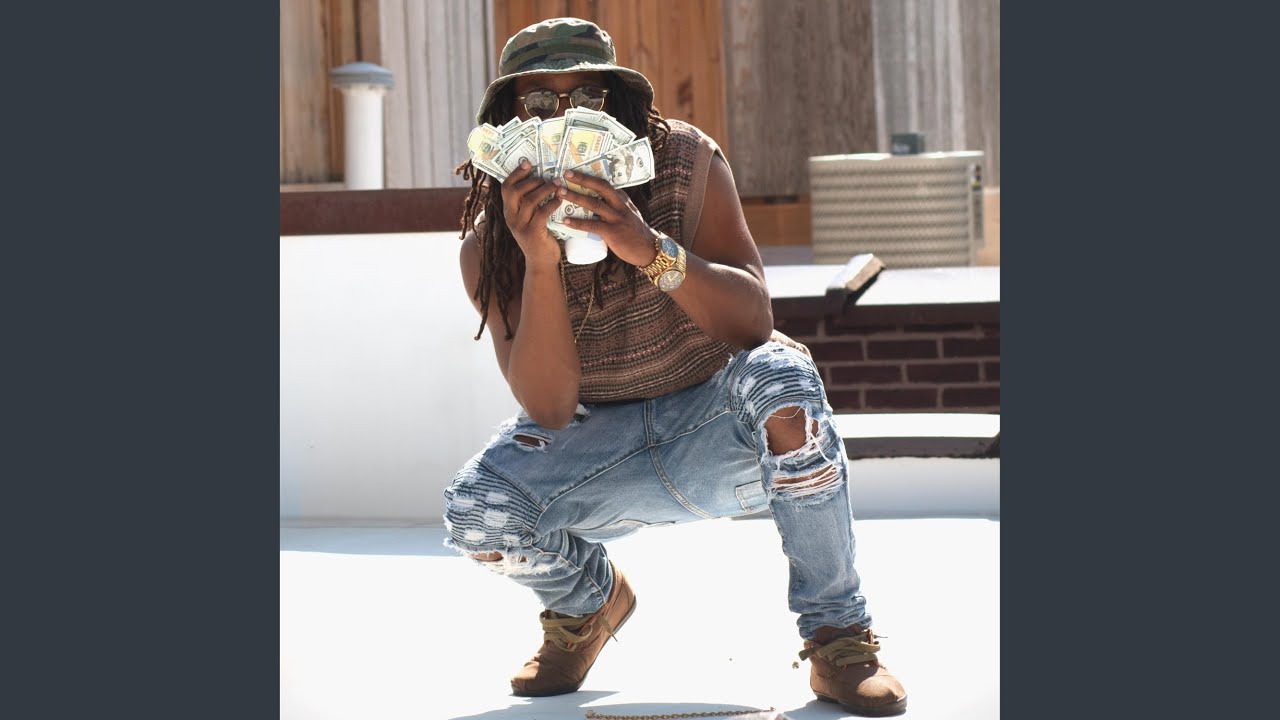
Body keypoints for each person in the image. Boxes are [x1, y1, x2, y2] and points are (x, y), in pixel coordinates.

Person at [447, 17, 907, 716]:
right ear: (507, 119)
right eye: (538, 101)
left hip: (717, 430)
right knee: (477, 512)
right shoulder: (491, 247)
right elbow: (548, 408)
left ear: (617, 103)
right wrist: (539, 259)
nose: (564, 121)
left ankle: (838, 639)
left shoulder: (686, 163)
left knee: (782, 377)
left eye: (585, 99)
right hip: (600, 451)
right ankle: (588, 605)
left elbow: (753, 323)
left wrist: (646, 247)